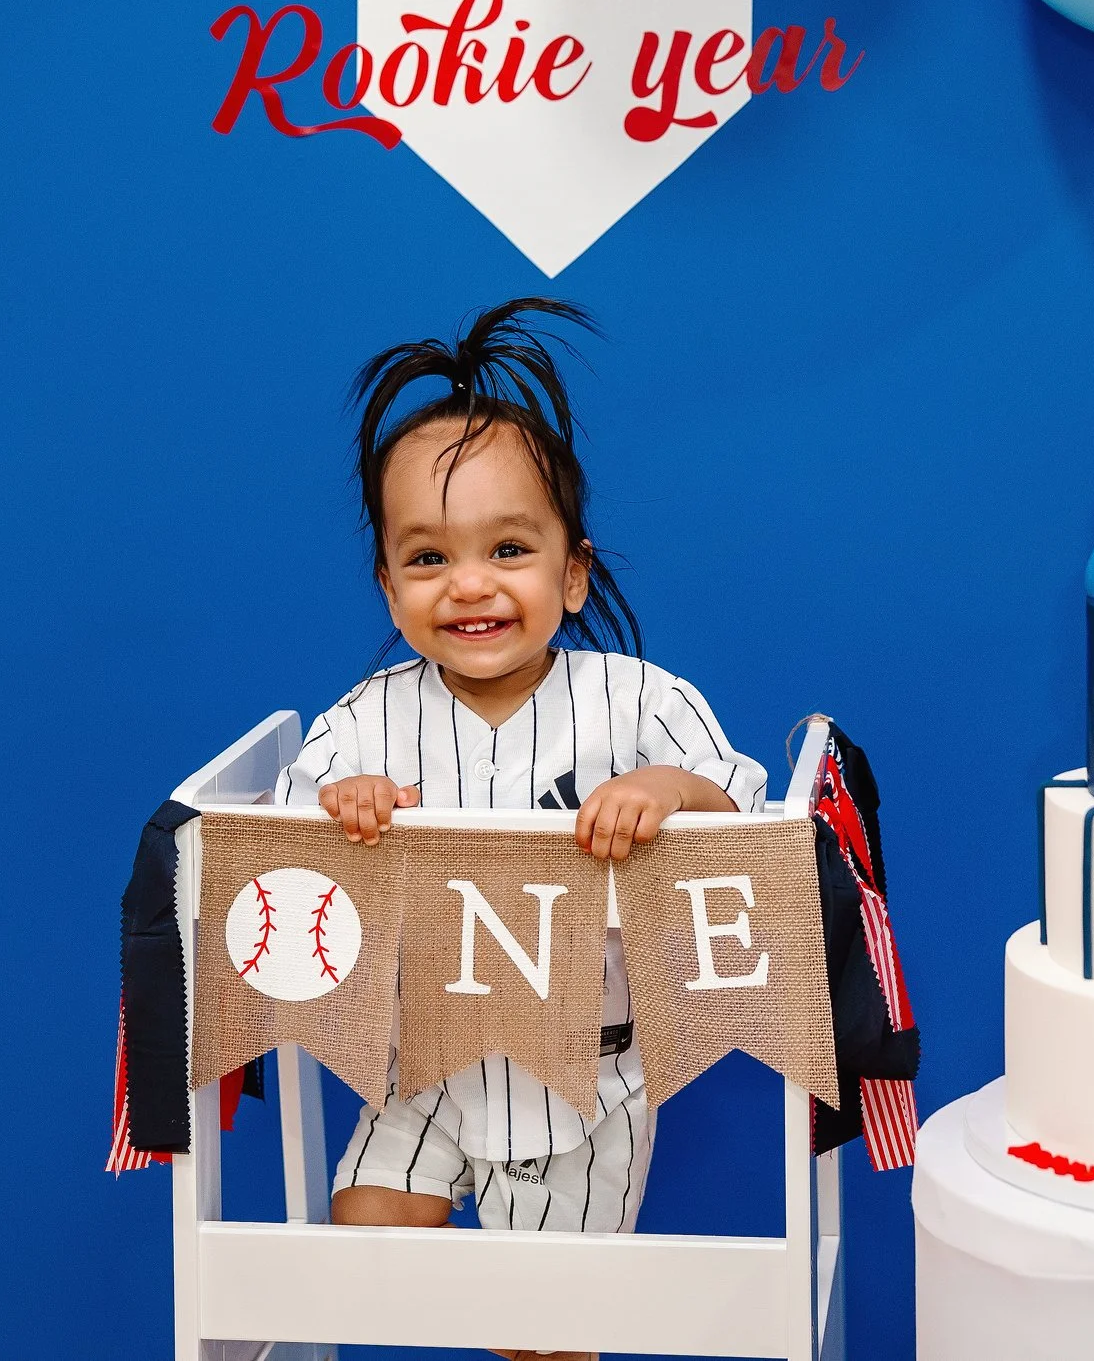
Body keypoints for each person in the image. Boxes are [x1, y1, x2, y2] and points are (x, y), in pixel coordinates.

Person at [274, 298, 765, 1281]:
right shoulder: (369, 715)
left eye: (507, 549)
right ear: (387, 587)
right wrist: (344, 802)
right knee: (367, 1241)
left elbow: (745, 811)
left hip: (588, 1074)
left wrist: (670, 788)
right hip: (423, 1062)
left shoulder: (636, 698)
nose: (467, 584)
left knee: (546, 1326)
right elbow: (285, 832)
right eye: (427, 557)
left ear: (573, 574)